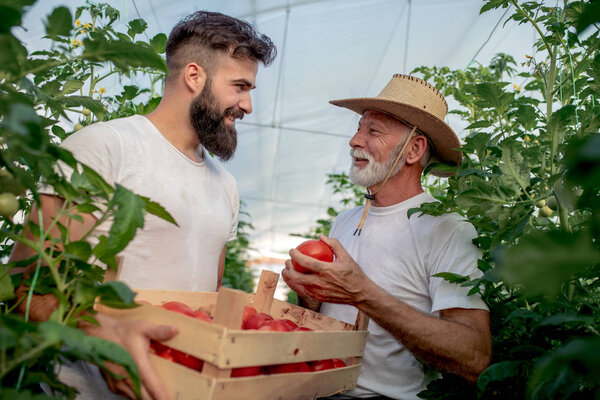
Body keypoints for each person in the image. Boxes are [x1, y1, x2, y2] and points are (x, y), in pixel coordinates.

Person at [11, 11, 276, 399]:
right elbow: (26, 285)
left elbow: (206, 298)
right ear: (194, 76)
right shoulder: (105, 148)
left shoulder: (226, 186)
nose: (248, 105)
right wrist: (103, 336)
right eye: (239, 86)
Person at [282, 74, 491, 400]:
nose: (354, 140)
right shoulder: (344, 221)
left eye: (373, 131)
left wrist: (364, 294)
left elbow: (474, 357)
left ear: (413, 149)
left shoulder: (447, 229)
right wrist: (309, 295)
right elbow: (322, 317)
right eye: (358, 127)